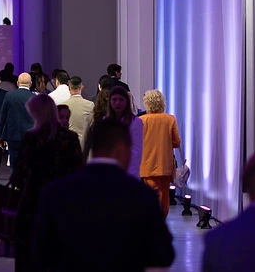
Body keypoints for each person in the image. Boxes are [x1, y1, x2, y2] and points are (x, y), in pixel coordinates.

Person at [33, 120, 174, 271]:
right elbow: (163, 255)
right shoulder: (143, 196)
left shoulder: (56, 192)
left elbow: (41, 253)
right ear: (121, 149)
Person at [10, 94, 83, 272]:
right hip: (63, 203)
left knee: (31, 254)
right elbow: (78, 171)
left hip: (34, 202)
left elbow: (20, 173)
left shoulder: (31, 138)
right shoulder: (70, 138)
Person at [139, 89, 182, 216]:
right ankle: (161, 220)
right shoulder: (170, 119)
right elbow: (177, 142)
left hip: (147, 165)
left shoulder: (141, 121)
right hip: (165, 165)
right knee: (164, 196)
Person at [105, 84, 143, 177]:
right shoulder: (105, 122)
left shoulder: (136, 122)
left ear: (127, 102)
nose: (117, 103)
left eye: (121, 100)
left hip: (129, 172)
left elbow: (136, 151)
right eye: (114, 100)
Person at [0, 73, 34, 169]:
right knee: (28, 164)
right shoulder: (34, 98)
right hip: (30, 137)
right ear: (30, 84)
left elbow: (3, 116)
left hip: (13, 136)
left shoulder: (9, 96)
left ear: (17, 83)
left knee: (14, 165)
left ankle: (15, 178)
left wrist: (0, 136)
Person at [63, 76, 93, 148]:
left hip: (68, 145)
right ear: (81, 87)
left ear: (69, 87)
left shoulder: (63, 106)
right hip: (85, 145)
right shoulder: (90, 105)